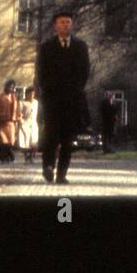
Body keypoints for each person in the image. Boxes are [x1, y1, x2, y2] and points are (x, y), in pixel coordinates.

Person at [35, 10, 90, 184]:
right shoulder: (46, 47)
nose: (65, 25)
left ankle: (62, 174)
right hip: (52, 99)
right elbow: (41, 72)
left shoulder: (80, 46)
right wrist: (47, 91)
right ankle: (48, 167)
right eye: (62, 22)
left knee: (67, 139)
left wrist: (77, 89)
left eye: (68, 22)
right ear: (55, 26)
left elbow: (85, 71)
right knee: (51, 135)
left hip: (73, 100)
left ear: (71, 24)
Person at [0, 79, 19, 164]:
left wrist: (18, 118)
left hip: (11, 122)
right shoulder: (0, 97)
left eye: (13, 87)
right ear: (6, 87)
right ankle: (5, 158)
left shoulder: (14, 97)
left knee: (11, 141)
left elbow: (17, 109)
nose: (11, 89)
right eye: (10, 87)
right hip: (2, 122)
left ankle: (6, 156)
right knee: (4, 141)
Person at [17, 86, 36, 163]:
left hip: (33, 124)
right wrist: (21, 121)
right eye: (30, 94)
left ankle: (31, 157)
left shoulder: (36, 102)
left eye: (33, 94)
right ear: (27, 94)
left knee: (33, 141)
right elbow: (19, 113)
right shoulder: (22, 102)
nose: (32, 96)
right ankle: (26, 157)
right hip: (25, 124)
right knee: (25, 141)